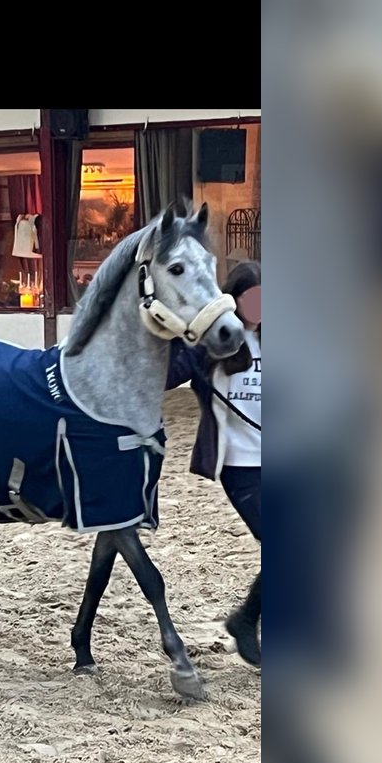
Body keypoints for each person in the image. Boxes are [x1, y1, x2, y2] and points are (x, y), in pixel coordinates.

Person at [166, 259, 262, 665]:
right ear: (233, 299)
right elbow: (167, 375)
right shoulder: (215, 342)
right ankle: (246, 620)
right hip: (240, 464)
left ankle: (248, 619)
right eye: (252, 298)